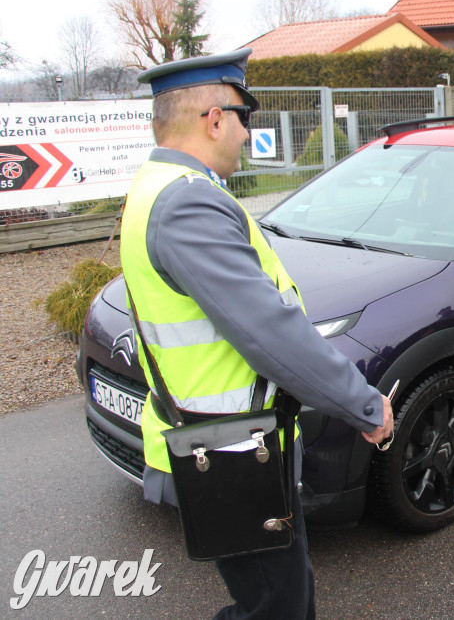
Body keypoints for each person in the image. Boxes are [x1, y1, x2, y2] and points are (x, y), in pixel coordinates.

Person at [123, 48, 394, 618]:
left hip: (227, 443)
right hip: (229, 450)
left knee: (282, 596)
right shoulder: (187, 203)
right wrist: (367, 407)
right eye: (243, 118)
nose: (248, 135)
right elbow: (270, 332)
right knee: (277, 607)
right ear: (214, 119)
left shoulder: (157, 185)